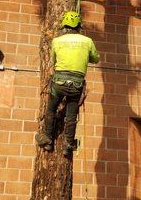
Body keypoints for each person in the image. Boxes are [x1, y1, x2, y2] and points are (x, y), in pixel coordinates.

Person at [36, 11, 100, 156]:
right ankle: (68, 145)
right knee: (71, 115)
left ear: (64, 26)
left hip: (59, 82)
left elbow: (53, 60)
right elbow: (96, 59)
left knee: (51, 109)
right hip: (77, 84)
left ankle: (47, 139)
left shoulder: (57, 41)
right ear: (79, 25)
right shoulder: (88, 41)